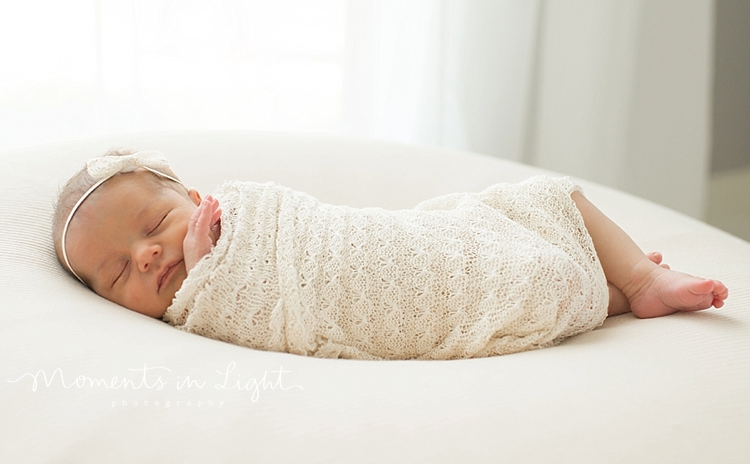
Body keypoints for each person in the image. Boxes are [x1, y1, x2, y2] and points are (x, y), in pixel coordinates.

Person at [53, 149, 728, 360]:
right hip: (413, 293)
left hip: (409, 238)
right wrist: (213, 275)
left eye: (157, 223)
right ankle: (603, 293)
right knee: (536, 280)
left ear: (195, 197)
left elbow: (305, 228)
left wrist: (225, 242)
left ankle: (641, 275)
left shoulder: (241, 213)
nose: (146, 256)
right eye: (116, 272)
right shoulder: (195, 320)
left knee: (547, 196)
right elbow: (267, 313)